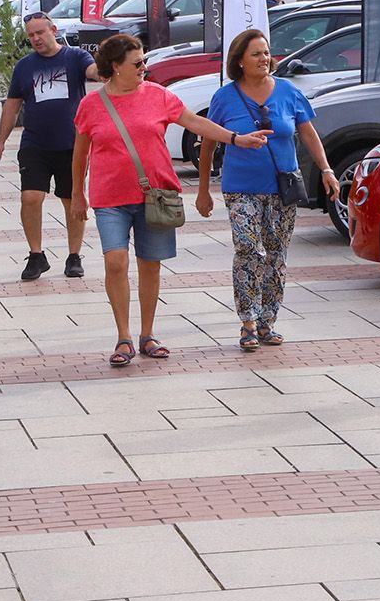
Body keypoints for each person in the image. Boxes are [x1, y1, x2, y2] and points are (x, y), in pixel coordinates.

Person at [74, 35, 267, 364]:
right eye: (137, 63)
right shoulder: (91, 105)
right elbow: (80, 154)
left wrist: (236, 139)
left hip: (156, 195)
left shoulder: (159, 96)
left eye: (144, 60)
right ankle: (123, 337)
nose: (144, 68)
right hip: (109, 197)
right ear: (115, 67)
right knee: (115, 261)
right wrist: (78, 193)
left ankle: (147, 334)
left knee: (150, 265)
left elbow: (198, 123)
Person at [199, 28, 340, 350]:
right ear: (239, 61)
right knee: (248, 249)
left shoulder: (288, 92)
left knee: (276, 255)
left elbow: (308, 134)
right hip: (240, 188)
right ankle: (247, 321)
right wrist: (203, 190)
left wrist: (327, 170)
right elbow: (208, 143)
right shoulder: (225, 97)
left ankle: (267, 322)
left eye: (266, 52)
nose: (264, 59)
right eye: (256, 54)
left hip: (282, 188)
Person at [0, 12, 99, 281]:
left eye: (40, 32)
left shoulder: (75, 57)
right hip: (35, 144)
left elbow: (92, 71)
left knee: (72, 199)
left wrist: (107, 69)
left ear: (53, 29)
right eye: (30, 35)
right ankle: (36, 255)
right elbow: (12, 105)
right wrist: (0, 141)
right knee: (30, 197)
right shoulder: (25, 66)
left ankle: (74, 255)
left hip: (71, 145)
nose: (36, 39)